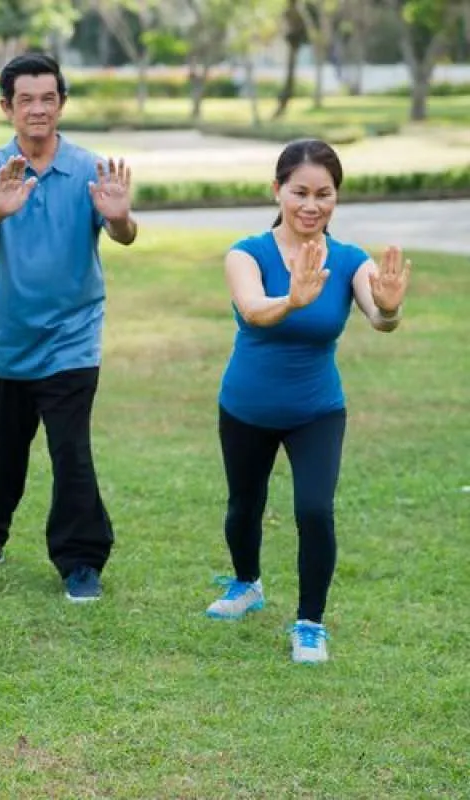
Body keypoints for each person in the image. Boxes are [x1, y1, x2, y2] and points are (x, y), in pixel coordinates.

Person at [204, 138, 411, 664]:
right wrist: (292, 300)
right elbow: (252, 310)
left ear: (336, 198)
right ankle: (247, 584)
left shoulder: (348, 261)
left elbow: (380, 318)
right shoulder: (246, 253)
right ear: (278, 190)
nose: (311, 206)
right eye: (300, 192)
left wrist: (389, 309)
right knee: (243, 506)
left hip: (317, 410)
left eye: (324, 194)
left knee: (315, 510)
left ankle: (310, 623)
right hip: (246, 405)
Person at [0, 52, 139, 603]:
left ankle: (81, 561)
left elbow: (123, 235)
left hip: (72, 338)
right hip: (4, 339)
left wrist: (120, 216)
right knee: (2, 447)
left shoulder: (88, 169)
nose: (38, 109)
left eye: (48, 98)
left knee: (71, 451)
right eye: (25, 99)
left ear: (61, 104)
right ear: (7, 107)